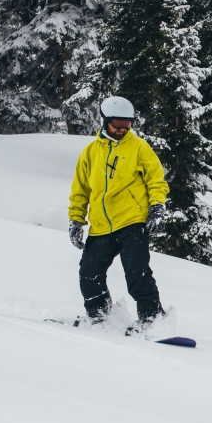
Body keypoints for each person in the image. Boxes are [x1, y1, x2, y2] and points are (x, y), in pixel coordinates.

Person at [67, 96, 170, 334]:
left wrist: (157, 207)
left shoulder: (138, 147)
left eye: (128, 124)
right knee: (89, 273)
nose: (123, 129)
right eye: (118, 124)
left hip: (132, 221)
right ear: (104, 121)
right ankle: (100, 316)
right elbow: (80, 190)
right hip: (101, 225)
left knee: (137, 273)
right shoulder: (90, 152)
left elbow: (156, 179)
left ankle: (151, 318)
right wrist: (76, 220)